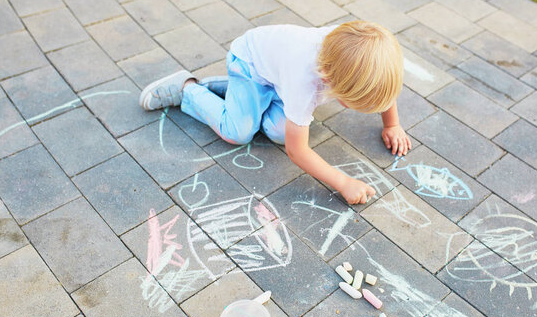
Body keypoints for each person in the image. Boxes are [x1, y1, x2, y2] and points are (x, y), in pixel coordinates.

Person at [139, 21, 411, 204]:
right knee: (238, 131)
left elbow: (384, 87)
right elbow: (297, 152)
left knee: (279, 132)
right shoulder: (305, 81)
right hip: (249, 65)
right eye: (354, 102)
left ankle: (243, 98)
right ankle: (188, 89)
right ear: (328, 80)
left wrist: (392, 124)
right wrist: (342, 182)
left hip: (279, 78)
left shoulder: (362, 52)